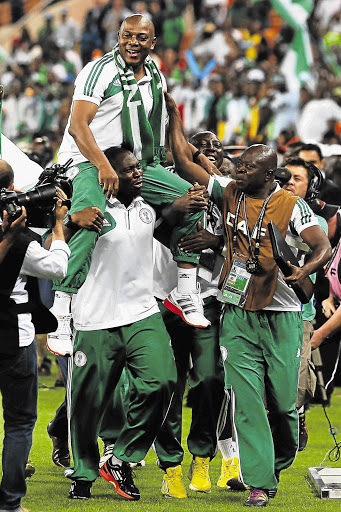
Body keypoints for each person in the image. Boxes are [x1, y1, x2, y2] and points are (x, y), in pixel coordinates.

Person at [164, 106, 331, 506]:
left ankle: (279, 457)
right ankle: (258, 481)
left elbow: (321, 245)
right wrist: (170, 114)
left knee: (283, 405)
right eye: (237, 167)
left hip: (282, 314)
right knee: (247, 398)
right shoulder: (230, 191)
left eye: (246, 169)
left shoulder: (292, 205)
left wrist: (303, 268)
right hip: (237, 310)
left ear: (268, 176)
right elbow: (185, 160)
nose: (237, 172)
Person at [50, 14, 214, 348]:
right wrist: (102, 167)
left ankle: (185, 288)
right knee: (90, 217)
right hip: (88, 160)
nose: (133, 43)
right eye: (127, 36)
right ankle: (62, 310)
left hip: (133, 162)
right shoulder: (99, 71)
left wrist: (208, 171)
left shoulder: (156, 73)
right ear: (118, 36)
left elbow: (159, 137)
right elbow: (78, 126)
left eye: (141, 38)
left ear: (153, 42)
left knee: (192, 197)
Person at [67, 147, 177, 501]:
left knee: (162, 381)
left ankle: (122, 458)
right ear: (109, 174)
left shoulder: (148, 210)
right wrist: (69, 221)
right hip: (94, 315)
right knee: (87, 403)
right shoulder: (92, 210)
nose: (138, 173)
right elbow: (56, 244)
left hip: (142, 312)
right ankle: (83, 474)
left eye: (138, 167)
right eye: (129, 170)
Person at [152, 131, 228, 498]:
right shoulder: (161, 184)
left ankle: (202, 456)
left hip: (210, 298)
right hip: (164, 298)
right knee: (169, 382)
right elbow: (146, 231)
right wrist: (176, 211)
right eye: (201, 148)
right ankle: (170, 465)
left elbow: (248, 237)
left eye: (217, 149)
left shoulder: (229, 195)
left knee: (211, 380)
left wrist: (217, 241)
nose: (210, 153)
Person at [0, 159, 70, 512]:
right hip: (15, 338)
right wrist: (57, 225)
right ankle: (10, 504)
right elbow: (58, 268)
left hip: (16, 335)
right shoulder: (21, 240)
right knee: (19, 422)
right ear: (12, 190)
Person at [282, 156, 328, 450]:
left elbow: (317, 249)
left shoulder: (316, 222)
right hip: (266, 308)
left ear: (310, 187)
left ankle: (298, 413)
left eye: (297, 179)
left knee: (297, 383)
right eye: (286, 177)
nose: (289, 182)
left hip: (300, 311)